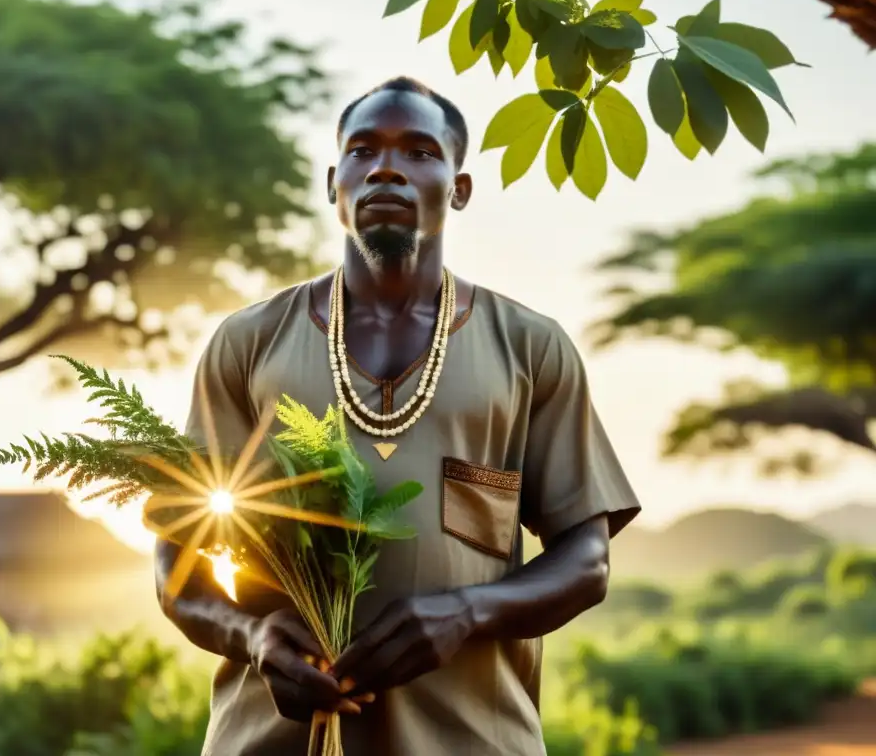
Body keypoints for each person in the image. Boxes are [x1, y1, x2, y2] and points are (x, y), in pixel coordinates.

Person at [154, 76, 641, 756]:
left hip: (474, 741)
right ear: (333, 184)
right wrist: (252, 636)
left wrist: (468, 611)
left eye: (419, 151)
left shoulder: (530, 347)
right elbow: (177, 563)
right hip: (271, 741)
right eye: (362, 151)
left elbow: (587, 562)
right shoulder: (248, 343)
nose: (386, 167)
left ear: (460, 187)